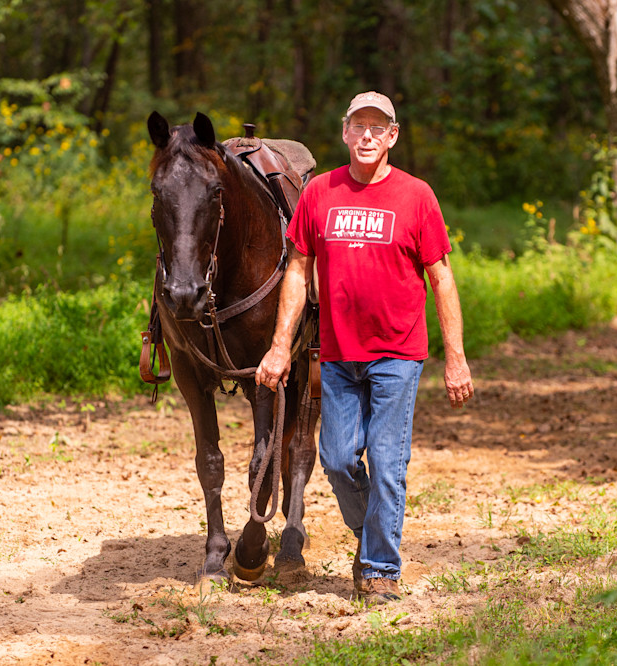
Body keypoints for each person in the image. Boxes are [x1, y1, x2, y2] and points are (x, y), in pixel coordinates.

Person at [255, 91, 473, 605]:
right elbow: (298, 270)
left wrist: (456, 358)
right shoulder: (320, 193)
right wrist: (280, 346)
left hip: (398, 355)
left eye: (380, 127)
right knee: (333, 458)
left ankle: (379, 571)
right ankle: (373, 534)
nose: (369, 136)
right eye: (360, 127)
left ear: (393, 136)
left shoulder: (417, 196)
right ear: (346, 133)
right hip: (337, 354)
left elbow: (441, 278)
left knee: (388, 465)